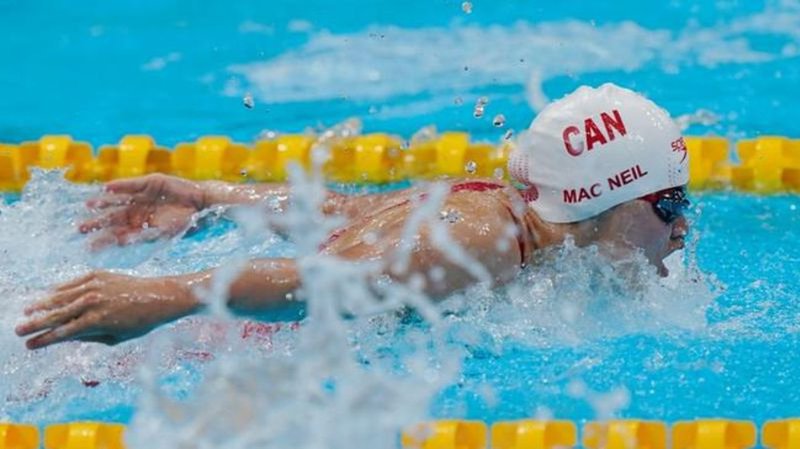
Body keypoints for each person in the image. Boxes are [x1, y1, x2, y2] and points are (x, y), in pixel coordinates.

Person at [16, 83, 691, 350]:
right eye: (669, 205)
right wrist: (161, 296)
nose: (682, 228)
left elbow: (341, 211)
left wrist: (207, 198)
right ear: (602, 201)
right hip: (209, 343)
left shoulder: (496, 206)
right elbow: (318, 283)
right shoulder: (482, 240)